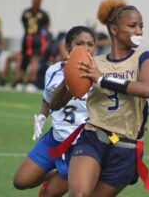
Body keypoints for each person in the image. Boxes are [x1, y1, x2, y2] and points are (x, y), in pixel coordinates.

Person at [57, 0, 149, 196]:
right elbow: (57, 103)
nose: (139, 31)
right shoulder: (94, 63)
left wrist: (102, 79)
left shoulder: (145, 58)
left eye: (141, 26)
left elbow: (146, 89)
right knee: (78, 195)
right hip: (93, 137)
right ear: (114, 29)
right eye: (132, 26)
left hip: (125, 147)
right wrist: (68, 77)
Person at [13, 26, 96, 197]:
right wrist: (43, 115)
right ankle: (54, 172)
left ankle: (69, 173)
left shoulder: (98, 74)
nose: (85, 48)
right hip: (55, 138)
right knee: (20, 181)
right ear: (67, 47)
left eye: (90, 44)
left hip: (81, 146)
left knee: (48, 194)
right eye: (79, 43)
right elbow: (48, 99)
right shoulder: (53, 70)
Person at [15, 0, 50, 92]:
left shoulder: (27, 12)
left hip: (29, 38)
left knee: (28, 60)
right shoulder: (43, 14)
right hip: (35, 38)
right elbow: (46, 28)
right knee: (30, 60)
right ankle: (28, 82)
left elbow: (24, 24)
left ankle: (21, 82)